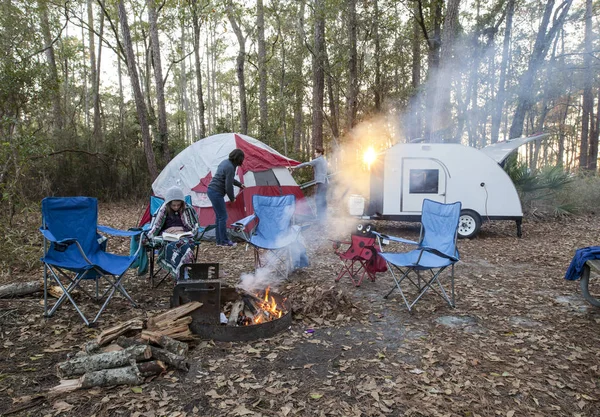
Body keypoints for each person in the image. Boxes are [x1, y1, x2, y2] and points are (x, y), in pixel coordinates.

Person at [146, 186, 199, 280]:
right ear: (168, 204)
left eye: (178, 205)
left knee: (185, 244)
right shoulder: (163, 210)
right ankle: (182, 273)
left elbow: (194, 227)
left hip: (184, 236)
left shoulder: (187, 209)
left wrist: (180, 228)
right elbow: (156, 227)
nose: (176, 207)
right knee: (173, 246)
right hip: (167, 238)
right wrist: (165, 231)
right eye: (173, 205)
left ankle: (183, 273)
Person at [207, 149, 246, 247]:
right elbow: (228, 185)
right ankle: (224, 241)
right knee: (223, 217)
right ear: (239, 159)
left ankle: (219, 241)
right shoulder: (230, 167)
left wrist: (239, 184)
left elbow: (229, 179)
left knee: (219, 217)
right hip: (216, 192)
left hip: (212, 191)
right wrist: (232, 198)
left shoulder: (225, 163)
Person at [290, 147, 328, 222]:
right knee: (323, 200)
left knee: (318, 199)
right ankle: (323, 217)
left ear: (320, 153)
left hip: (321, 182)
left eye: (316, 152)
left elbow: (307, 163)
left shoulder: (318, 160)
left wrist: (295, 167)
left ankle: (320, 218)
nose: (315, 154)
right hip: (325, 182)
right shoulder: (324, 160)